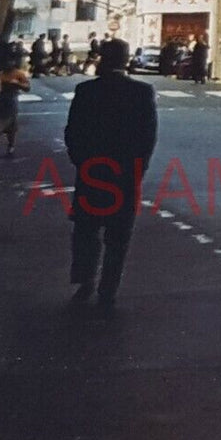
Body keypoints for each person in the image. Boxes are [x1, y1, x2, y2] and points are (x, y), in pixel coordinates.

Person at [64, 38, 157, 311]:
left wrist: (81, 162)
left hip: (92, 171)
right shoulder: (141, 92)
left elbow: (73, 132)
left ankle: (85, 281)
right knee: (118, 236)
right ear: (126, 60)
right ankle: (108, 289)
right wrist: (139, 168)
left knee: (86, 229)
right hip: (126, 174)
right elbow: (147, 136)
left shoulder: (86, 91)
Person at [0, 57, 31, 158]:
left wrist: (17, 84)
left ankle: (11, 145)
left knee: (12, 125)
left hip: (11, 100)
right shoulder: (0, 73)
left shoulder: (19, 74)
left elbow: (27, 87)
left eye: (10, 61)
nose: (8, 63)